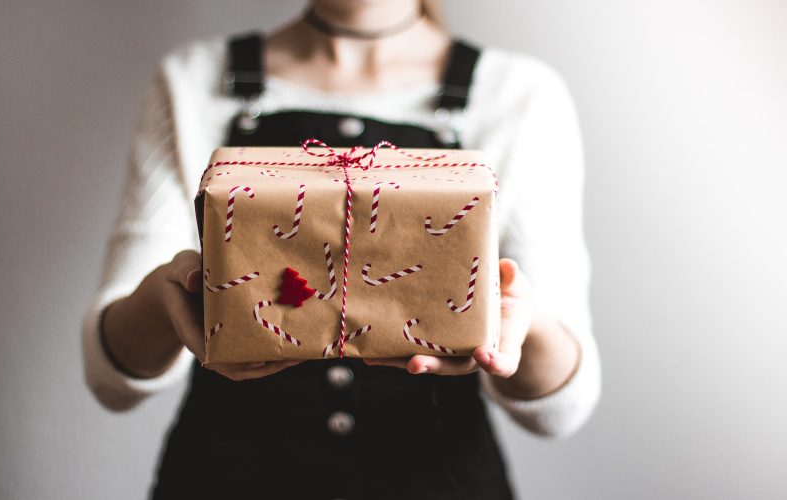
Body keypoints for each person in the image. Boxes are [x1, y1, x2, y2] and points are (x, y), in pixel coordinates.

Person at [81, 0, 601, 498]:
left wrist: (520, 322)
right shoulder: (195, 78)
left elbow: (562, 409)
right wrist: (163, 297)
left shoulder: (518, 92)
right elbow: (112, 382)